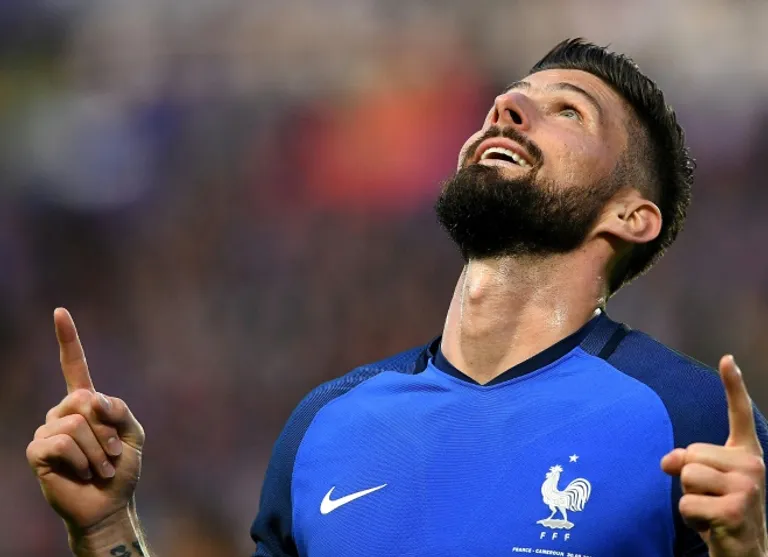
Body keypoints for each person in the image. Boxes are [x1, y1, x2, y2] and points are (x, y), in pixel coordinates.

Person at [27, 39, 768, 557]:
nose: (507, 106)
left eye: (568, 111)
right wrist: (106, 529)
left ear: (631, 215)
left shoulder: (693, 421)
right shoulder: (324, 427)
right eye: (513, 96)